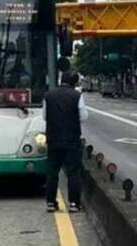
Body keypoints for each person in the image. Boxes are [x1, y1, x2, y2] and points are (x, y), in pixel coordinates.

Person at [43, 71, 88, 213]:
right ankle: (74, 203)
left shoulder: (48, 95)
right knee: (73, 172)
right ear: (73, 82)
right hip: (71, 139)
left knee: (52, 172)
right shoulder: (77, 96)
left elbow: (45, 116)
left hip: (53, 139)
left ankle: (51, 202)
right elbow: (84, 116)